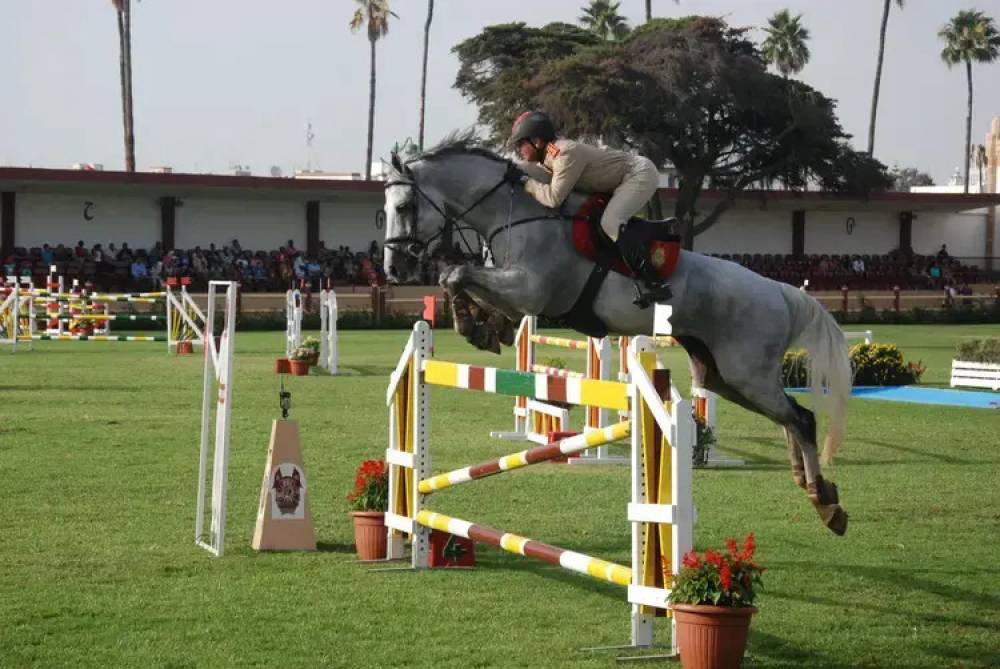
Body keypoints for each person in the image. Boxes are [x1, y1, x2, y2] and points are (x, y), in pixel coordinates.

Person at [506, 110, 671, 306]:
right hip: (618, 182)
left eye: (521, 143)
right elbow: (533, 171)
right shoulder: (549, 156)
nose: (518, 149)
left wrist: (525, 182)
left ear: (537, 141)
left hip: (638, 174)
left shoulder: (565, 153)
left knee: (611, 222)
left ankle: (655, 282)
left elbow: (553, 198)